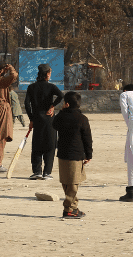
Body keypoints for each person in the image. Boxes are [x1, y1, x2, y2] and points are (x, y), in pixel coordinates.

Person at [53, 91, 92, 219]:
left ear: (67, 104)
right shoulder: (82, 119)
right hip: (76, 154)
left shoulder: (61, 117)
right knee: (73, 183)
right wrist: (88, 154)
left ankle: (73, 207)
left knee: (67, 182)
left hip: (63, 153)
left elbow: (54, 124)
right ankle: (69, 209)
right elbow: (87, 138)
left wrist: (61, 111)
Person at [25, 63, 64, 180]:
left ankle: (37, 171)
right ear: (47, 74)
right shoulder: (51, 87)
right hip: (49, 119)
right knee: (50, 145)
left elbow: (27, 104)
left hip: (37, 119)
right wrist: (52, 106)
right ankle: (47, 172)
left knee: (37, 145)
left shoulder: (31, 87)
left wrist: (31, 118)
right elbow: (61, 96)